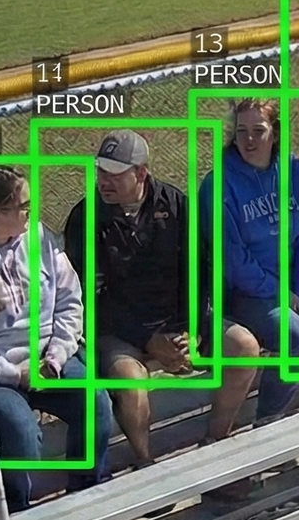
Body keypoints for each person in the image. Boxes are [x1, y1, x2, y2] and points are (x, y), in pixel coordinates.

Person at [62, 130, 262, 488]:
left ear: (140, 174)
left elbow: (201, 269)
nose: (103, 181)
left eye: (114, 173)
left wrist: (194, 329)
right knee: (130, 379)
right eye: (100, 172)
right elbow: (92, 299)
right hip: (119, 330)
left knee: (244, 346)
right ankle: (146, 465)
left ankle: (216, 439)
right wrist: (148, 339)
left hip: (177, 321)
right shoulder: (84, 218)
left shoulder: (174, 203)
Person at [0, 165, 109, 512]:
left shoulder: (38, 238)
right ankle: (16, 513)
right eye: (24, 206)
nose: (32, 211)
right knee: (21, 431)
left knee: (95, 402)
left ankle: (87, 497)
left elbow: (70, 300)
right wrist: (14, 373)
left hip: (48, 359)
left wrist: (55, 356)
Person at [206, 98, 299, 415]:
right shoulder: (219, 185)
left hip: (298, 283)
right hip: (247, 292)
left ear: (275, 133)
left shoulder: (294, 171)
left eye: (258, 130)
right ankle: (268, 421)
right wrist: (281, 293)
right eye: (241, 131)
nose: (249, 140)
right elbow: (232, 259)